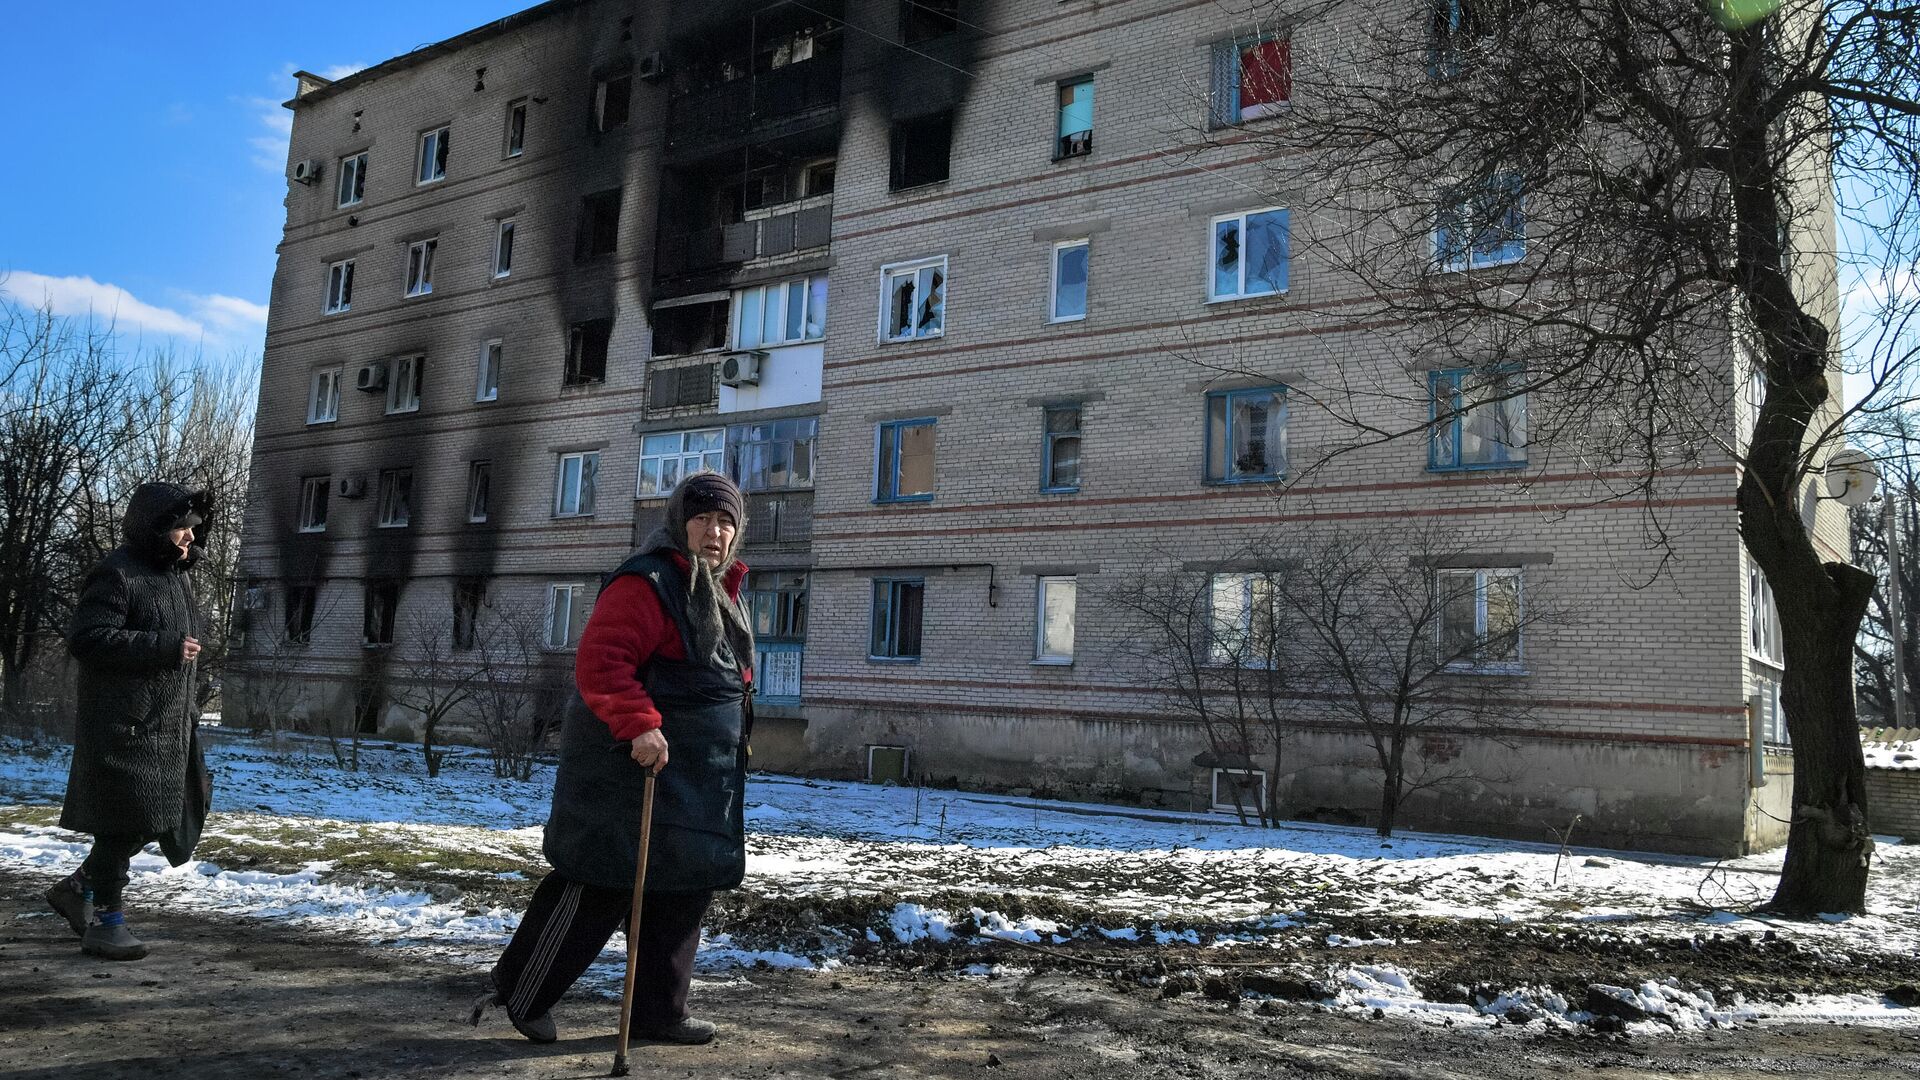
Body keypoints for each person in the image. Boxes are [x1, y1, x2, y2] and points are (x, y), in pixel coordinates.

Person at [475, 471, 755, 1045]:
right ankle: (522, 992)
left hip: (698, 778)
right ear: (680, 523)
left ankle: (659, 1013)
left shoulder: (722, 592)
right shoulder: (648, 582)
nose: (715, 531)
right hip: (631, 771)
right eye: (703, 518)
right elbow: (602, 664)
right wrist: (640, 726)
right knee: (602, 879)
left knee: (680, 890)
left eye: (726, 521)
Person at [46, 482, 215, 961]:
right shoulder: (116, 573)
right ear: (154, 529)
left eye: (191, 528)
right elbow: (88, 637)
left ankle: (78, 888)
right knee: (121, 825)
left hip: (170, 724)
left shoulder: (176, 576)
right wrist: (161, 647)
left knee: (174, 811)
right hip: (125, 726)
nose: (188, 537)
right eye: (180, 527)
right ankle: (106, 923)